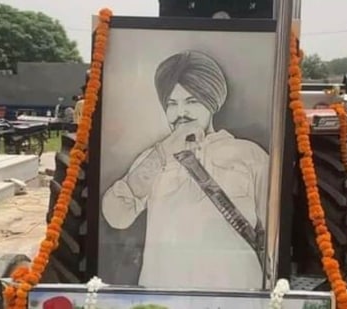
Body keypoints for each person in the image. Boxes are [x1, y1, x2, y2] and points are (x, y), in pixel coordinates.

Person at [101, 50, 269, 290]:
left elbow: (273, 236)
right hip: (165, 296)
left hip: (236, 296)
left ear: (212, 102)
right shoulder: (153, 158)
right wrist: (164, 151)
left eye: (192, 102)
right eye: (172, 103)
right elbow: (116, 216)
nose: (181, 113)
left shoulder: (250, 156)